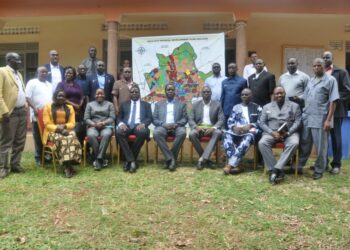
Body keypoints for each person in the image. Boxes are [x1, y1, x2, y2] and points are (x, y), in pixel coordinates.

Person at [298, 58, 339, 180]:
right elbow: (305, 96)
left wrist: (328, 120)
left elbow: (333, 101)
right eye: (314, 66)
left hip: (320, 118)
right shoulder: (311, 80)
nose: (316, 68)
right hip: (307, 116)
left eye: (319, 66)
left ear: (324, 66)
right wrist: (294, 97)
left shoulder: (330, 80)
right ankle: (300, 165)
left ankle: (320, 169)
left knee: (321, 146)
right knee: (305, 143)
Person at [258, 87, 301, 184]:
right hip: (271, 133)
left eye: (281, 93)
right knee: (262, 143)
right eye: (277, 93)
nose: (279, 95)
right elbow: (262, 123)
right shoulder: (267, 107)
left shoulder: (295, 106)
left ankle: (275, 170)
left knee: (294, 143)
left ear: (285, 94)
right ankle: (277, 170)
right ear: (273, 95)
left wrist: (289, 132)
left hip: (289, 133)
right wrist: (271, 132)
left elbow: (298, 122)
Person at [42, 90, 82, 178]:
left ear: (65, 98)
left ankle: (67, 164)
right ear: (55, 97)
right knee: (63, 139)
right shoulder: (48, 107)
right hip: (51, 132)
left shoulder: (69, 107)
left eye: (63, 96)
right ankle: (67, 166)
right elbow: (47, 124)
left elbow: (72, 123)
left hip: (65, 129)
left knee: (73, 136)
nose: (61, 98)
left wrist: (64, 126)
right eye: (59, 96)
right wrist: (58, 129)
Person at [0, 52, 27, 179]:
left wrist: (25, 105)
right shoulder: (2, 72)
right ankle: (3, 168)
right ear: (9, 60)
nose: (20, 62)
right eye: (17, 60)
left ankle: (15, 164)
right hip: (10, 113)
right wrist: (4, 112)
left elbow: (20, 91)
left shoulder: (19, 74)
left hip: (22, 111)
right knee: (6, 141)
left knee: (20, 140)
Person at [223, 88, 262, 175]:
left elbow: (261, 121)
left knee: (248, 137)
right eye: (242, 94)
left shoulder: (257, 107)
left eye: (246, 94)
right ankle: (237, 165)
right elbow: (230, 121)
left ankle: (230, 165)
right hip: (237, 131)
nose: (244, 96)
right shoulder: (236, 107)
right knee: (226, 135)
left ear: (251, 96)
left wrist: (251, 125)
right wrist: (234, 128)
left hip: (250, 131)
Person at [323, 51, 350, 174]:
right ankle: (323, 163)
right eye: (323, 57)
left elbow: (347, 91)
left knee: (336, 138)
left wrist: (335, 100)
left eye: (327, 57)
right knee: (322, 138)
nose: (325, 59)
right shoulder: (320, 72)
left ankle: (336, 164)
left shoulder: (341, 72)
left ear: (332, 58)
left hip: (336, 111)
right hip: (322, 111)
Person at [116, 84, 152, 173]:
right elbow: (119, 117)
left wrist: (143, 124)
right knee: (119, 132)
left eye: (136, 92)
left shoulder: (146, 105)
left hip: (139, 125)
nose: (134, 93)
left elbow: (149, 118)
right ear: (130, 94)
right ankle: (132, 161)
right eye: (132, 92)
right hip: (126, 125)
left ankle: (128, 161)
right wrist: (121, 124)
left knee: (143, 132)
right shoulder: (124, 104)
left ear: (139, 93)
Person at [153, 83, 188, 171]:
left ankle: (169, 160)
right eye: (168, 90)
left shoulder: (181, 104)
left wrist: (177, 124)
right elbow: (154, 119)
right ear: (165, 92)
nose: (170, 91)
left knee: (182, 133)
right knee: (156, 133)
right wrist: (162, 124)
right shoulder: (158, 104)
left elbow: (185, 118)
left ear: (175, 92)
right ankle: (171, 159)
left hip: (176, 126)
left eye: (172, 89)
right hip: (163, 126)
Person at [189, 86, 224, 170]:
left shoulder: (217, 104)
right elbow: (190, 119)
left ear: (211, 93)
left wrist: (214, 128)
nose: (206, 93)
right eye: (204, 92)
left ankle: (202, 159)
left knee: (218, 133)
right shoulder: (195, 104)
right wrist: (196, 127)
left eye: (208, 92)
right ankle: (206, 159)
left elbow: (221, 119)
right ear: (201, 94)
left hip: (211, 128)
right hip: (199, 127)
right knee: (191, 134)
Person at [25, 66, 53, 166]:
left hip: (48, 116)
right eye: (42, 72)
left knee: (47, 136)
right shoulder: (32, 82)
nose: (44, 74)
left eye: (46, 72)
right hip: (37, 115)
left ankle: (47, 156)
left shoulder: (49, 84)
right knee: (38, 137)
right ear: (37, 73)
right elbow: (27, 97)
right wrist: (34, 108)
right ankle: (38, 158)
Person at [84, 88, 115, 171]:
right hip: (93, 126)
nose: (99, 95)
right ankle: (102, 157)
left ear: (104, 95)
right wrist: (94, 124)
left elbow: (112, 117)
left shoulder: (110, 104)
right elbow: (86, 119)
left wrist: (103, 123)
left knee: (106, 134)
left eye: (101, 93)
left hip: (106, 126)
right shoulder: (89, 105)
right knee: (90, 135)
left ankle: (98, 158)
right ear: (95, 95)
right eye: (98, 94)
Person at [55, 66, 85, 145]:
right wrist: (74, 105)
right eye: (67, 72)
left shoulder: (77, 85)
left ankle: (80, 149)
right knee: (70, 129)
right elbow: (61, 98)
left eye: (71, 73)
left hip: (78, 112)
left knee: (80, 130)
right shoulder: (61, 84)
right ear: (64, 74)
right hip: (66, 110)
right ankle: (70, 148)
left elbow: (82, 97)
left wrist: (79, 105)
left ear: (74, 75)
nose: (69, 74)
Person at [221, 62, 247, 128]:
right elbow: (222, 97)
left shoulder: (243, 81)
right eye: (229, 68)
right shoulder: (224, 82)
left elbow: (246, 96)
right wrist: (221, 110)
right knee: (227, 130)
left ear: (237, 69)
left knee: (239, 129)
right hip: (226, 110)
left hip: (238, 110)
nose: (231, 69)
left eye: (233, 68)